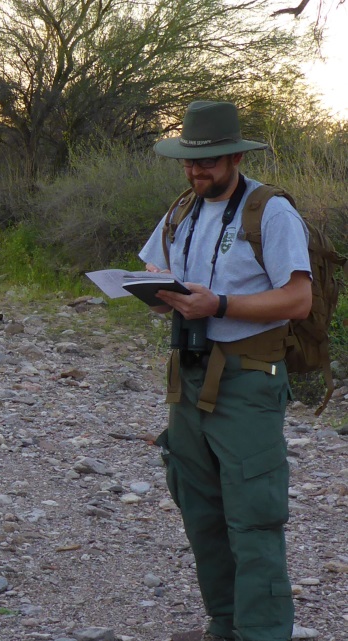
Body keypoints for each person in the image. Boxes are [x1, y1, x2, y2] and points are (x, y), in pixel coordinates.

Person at [138, 101, 312, 641]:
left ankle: (264, 633)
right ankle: (225, 625)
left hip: (247, 380)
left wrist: (219, 306)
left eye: (209, 162)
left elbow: (299, 298)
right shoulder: (182, 209)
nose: (198, 171)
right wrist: (157, 291)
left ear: (235, 155)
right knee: (201, 509)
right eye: (191, 162)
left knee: (254, 514)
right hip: (186, 376)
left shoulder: (271, 211)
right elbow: (156, 269)